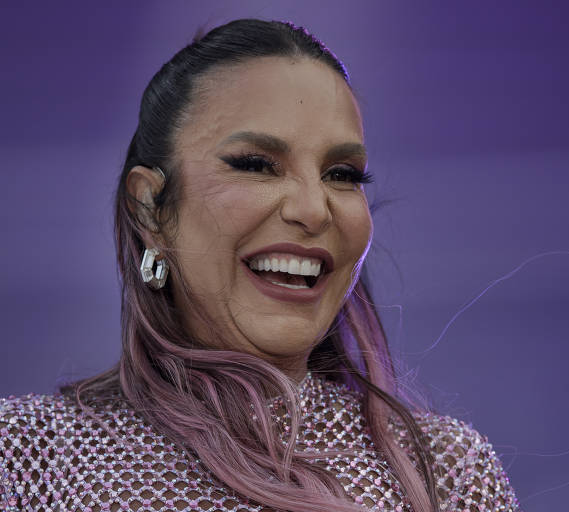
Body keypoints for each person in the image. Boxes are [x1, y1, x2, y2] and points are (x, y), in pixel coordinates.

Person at [0, 18, 520, 512]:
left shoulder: (449, 473)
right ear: (150, 208)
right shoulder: (29, 459)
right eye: (256, 165)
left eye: (342, 174)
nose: (313, 209)